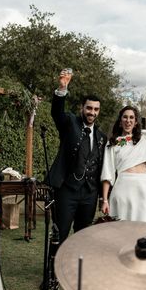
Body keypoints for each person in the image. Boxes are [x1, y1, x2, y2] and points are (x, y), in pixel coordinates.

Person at [100, 83, 146, 223]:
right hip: (122, 188)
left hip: (144, 187)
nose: (128, 120)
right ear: (120, 121)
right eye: (125, 117)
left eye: (131, 118)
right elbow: (107, 173)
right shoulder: (112, 143)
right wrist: (105, 200)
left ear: (135, 122)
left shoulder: (144, 137)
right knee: (122, 229)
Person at [49, 69, 107, 242]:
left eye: (96, 109)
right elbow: (57, 113)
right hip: (67, 190)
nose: (92, 112)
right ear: (82, 108)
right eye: (89, 108)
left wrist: (103, 197)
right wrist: (62, 89)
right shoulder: (70, 123)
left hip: (90, 193)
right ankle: (54, 268)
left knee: (83, 236)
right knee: (61, 233)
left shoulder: (101, 137)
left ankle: (76, 268)